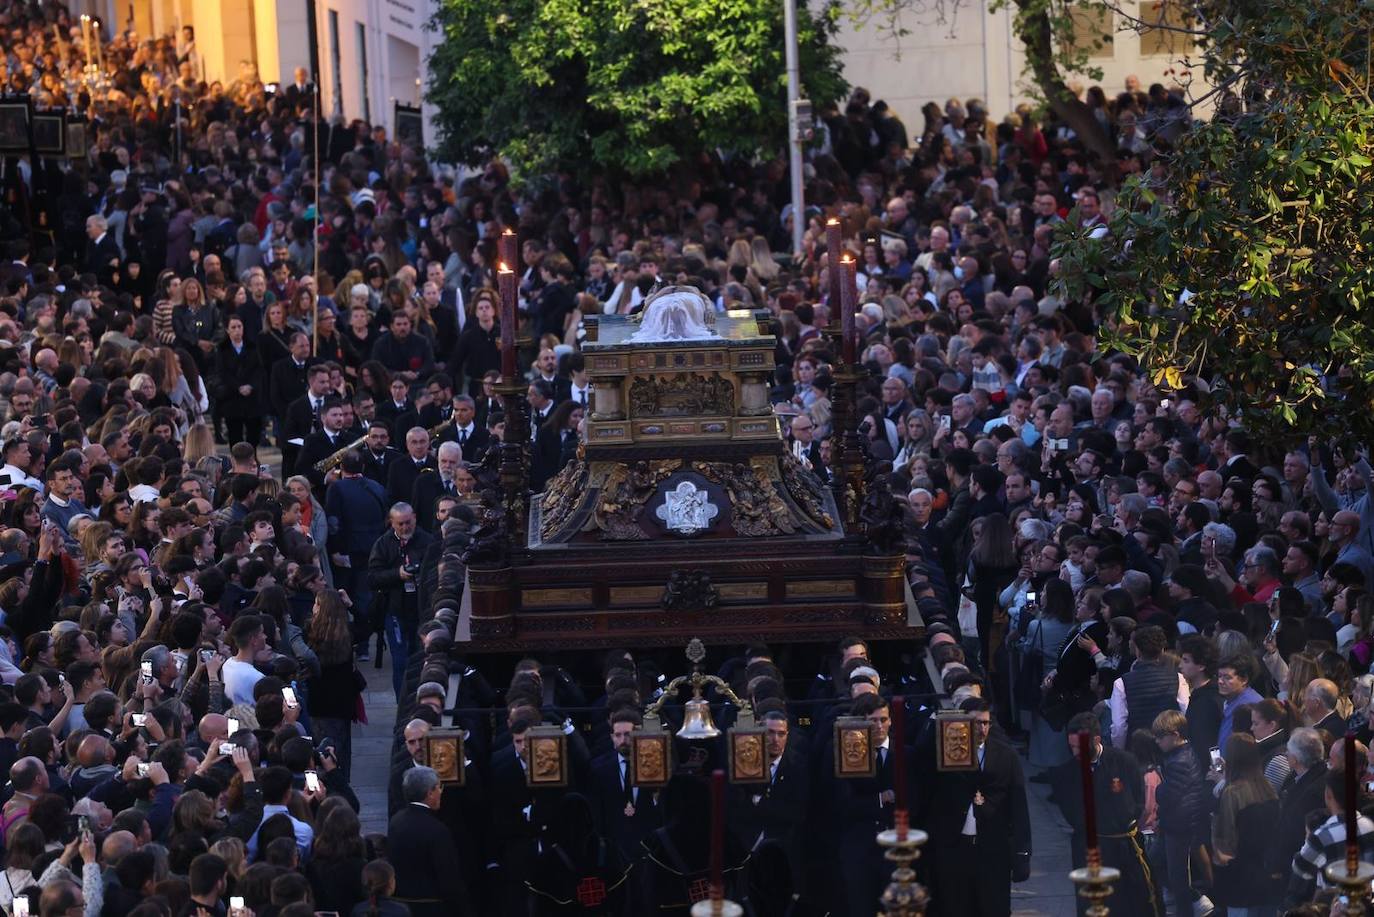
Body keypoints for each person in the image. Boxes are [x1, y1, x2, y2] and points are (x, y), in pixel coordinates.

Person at [920, 697, 1030, 916]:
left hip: (992, 849)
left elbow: (1018, 807)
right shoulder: (943, 754)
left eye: (985, 723)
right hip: (955, 848)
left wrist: (1022, 852)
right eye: (975, 723)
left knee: (994, 907)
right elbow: (925, 784)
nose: (981, 728)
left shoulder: (1006, 756)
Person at [388, 767, 474, 916]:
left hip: (402, 905)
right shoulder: (437, 830)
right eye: (438, 788)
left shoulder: (396, 822)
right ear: (430, 793)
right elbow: (449, 878)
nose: (440, 792)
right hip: (432, 908)